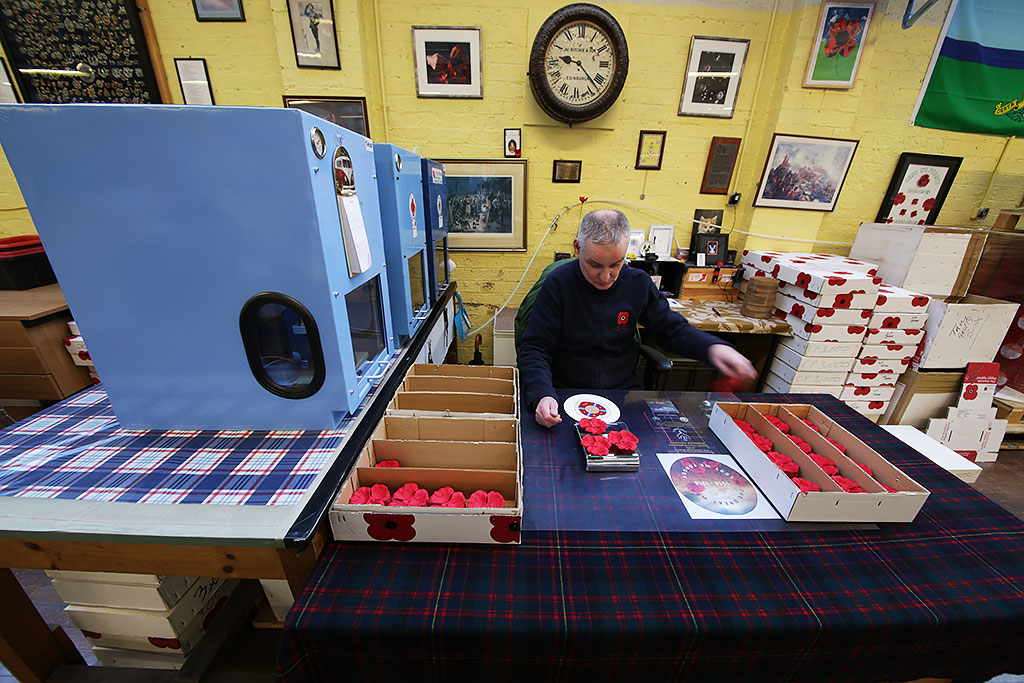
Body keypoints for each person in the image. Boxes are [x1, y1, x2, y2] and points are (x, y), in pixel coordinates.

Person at [518, 209, 757, 428]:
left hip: (622, 396)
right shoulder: (558, 284)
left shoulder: (638, 283)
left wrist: (714, 348)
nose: (606, 276)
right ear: (578, 248)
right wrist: (542, 393)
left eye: (616, 264)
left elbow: (671, 329)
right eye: (594, 265)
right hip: (566, 394)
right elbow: (535, 347)